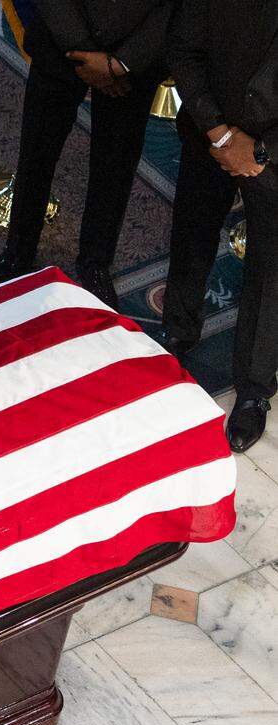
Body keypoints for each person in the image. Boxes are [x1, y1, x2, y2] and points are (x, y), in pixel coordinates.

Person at [0, 0, 172, 308]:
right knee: (37, 153)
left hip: (132, 64)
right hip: (61, 43)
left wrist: (121, 63)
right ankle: (19, 251)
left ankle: (95, 263)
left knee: (115, 166)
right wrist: (84, 54)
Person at [156, 0, 278, 453]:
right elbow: (183, 48)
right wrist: (221, 134)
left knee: (270, 273)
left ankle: (253, 389)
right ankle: (175, 333)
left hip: (274, 158)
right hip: (210, 134)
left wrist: (261, 151)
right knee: (192, 234)